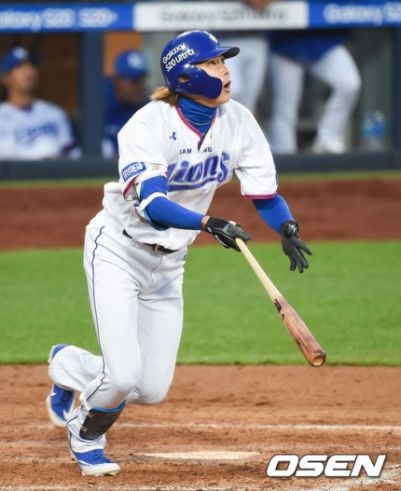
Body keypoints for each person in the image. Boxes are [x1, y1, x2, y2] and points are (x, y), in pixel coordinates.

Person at [45, 30, 312, 477]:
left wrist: (285, 224)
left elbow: (264, 194)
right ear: (186, 76)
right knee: (122, 377)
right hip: (118, 251)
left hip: (170, 264)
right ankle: (85, 434)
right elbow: (153, 205)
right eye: (213, 63)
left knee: (149, 390)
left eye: (224, 61)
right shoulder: (146, 126)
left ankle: (66, 364)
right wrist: (209, 223)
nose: (225, 70)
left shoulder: (238, 120)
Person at [268, 29, 361, 154]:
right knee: (285, 109)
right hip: (285, 43)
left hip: (323, 40)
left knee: (349, 84)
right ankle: (283, 152)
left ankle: (328, 139)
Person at [0, 47, 76, 160]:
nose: (28, 71)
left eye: (31, 65)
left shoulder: (54, 113)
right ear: (5, 77)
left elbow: (69, 152)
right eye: (20, 67)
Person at [216, 0, 274, 114]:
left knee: (249, 101)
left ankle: (241, 125)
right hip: (225, 38)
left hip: (256, 39)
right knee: (232, 91)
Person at [103, 49, 149, 158]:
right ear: (117, 79)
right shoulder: (98, 100)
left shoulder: (146, 106)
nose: (140, 86)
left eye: (143, 79)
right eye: (135, 81)